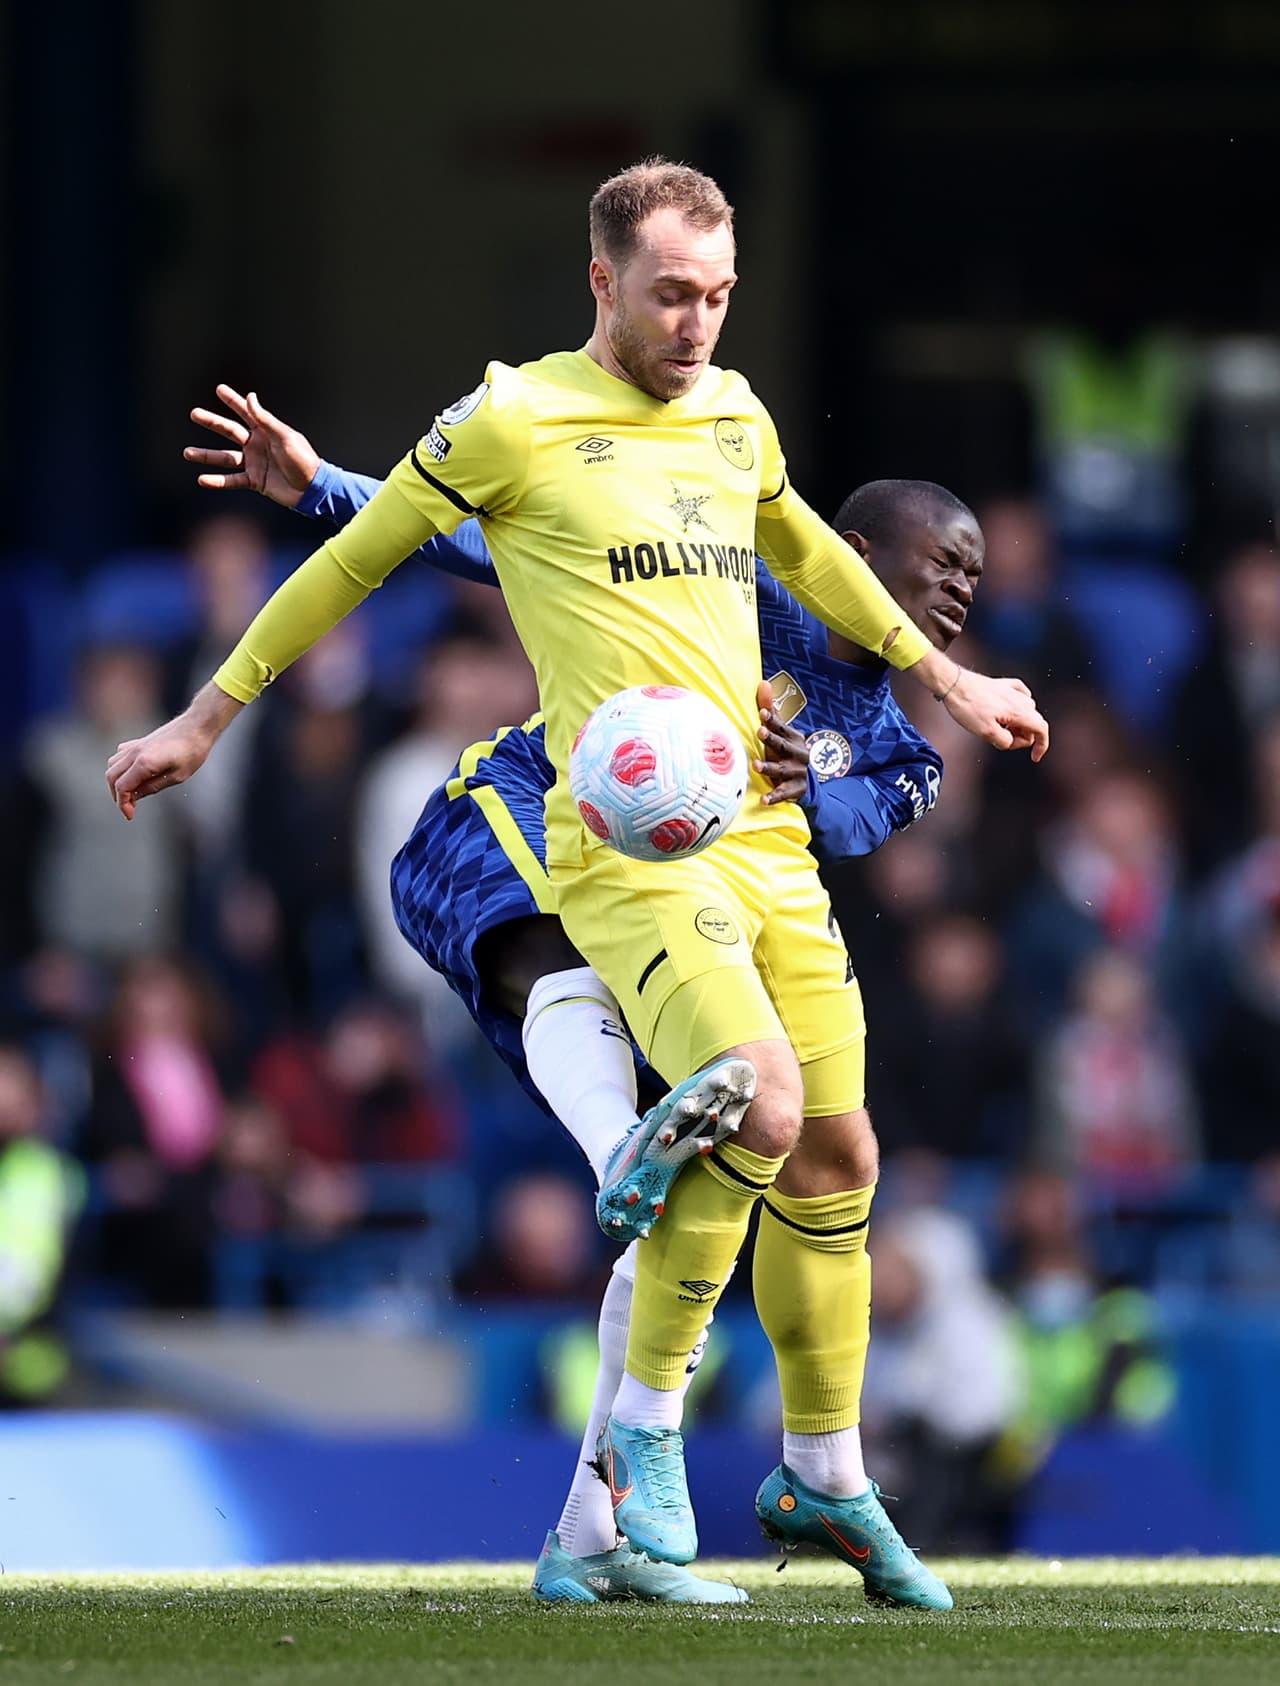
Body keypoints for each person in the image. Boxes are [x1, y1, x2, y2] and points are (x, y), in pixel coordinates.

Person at [107, 159, 1046, 1608]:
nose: (699, 323)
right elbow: (403, 550)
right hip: (588, 825)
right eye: (673, 293)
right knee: (735, 1097)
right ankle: (638, 1267)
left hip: (755, 852)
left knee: (835, 1155)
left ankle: (753, 1487)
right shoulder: (521, 417)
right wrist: (209, 709)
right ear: (603, 281)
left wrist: (943, 680)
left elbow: (794, 541)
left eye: (722, 297)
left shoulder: (744, 438)